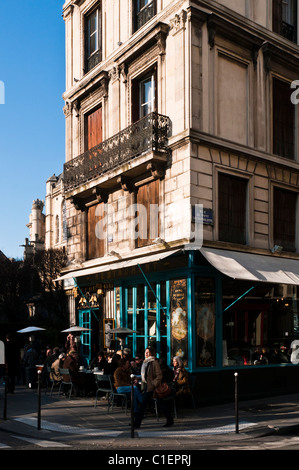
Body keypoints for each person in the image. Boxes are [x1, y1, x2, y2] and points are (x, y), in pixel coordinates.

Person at [134, 347, 174, 428]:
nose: (146, 354)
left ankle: (136, 423)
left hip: (152, 387)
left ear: (152, 353)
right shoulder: (145, 362)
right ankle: (170, 419)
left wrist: (153, 384)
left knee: (143, 405)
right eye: (145, 352)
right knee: (160, 403)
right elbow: (145, 375)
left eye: (148, 352)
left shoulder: (154, 362)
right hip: (147, 385)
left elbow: (159, 375)